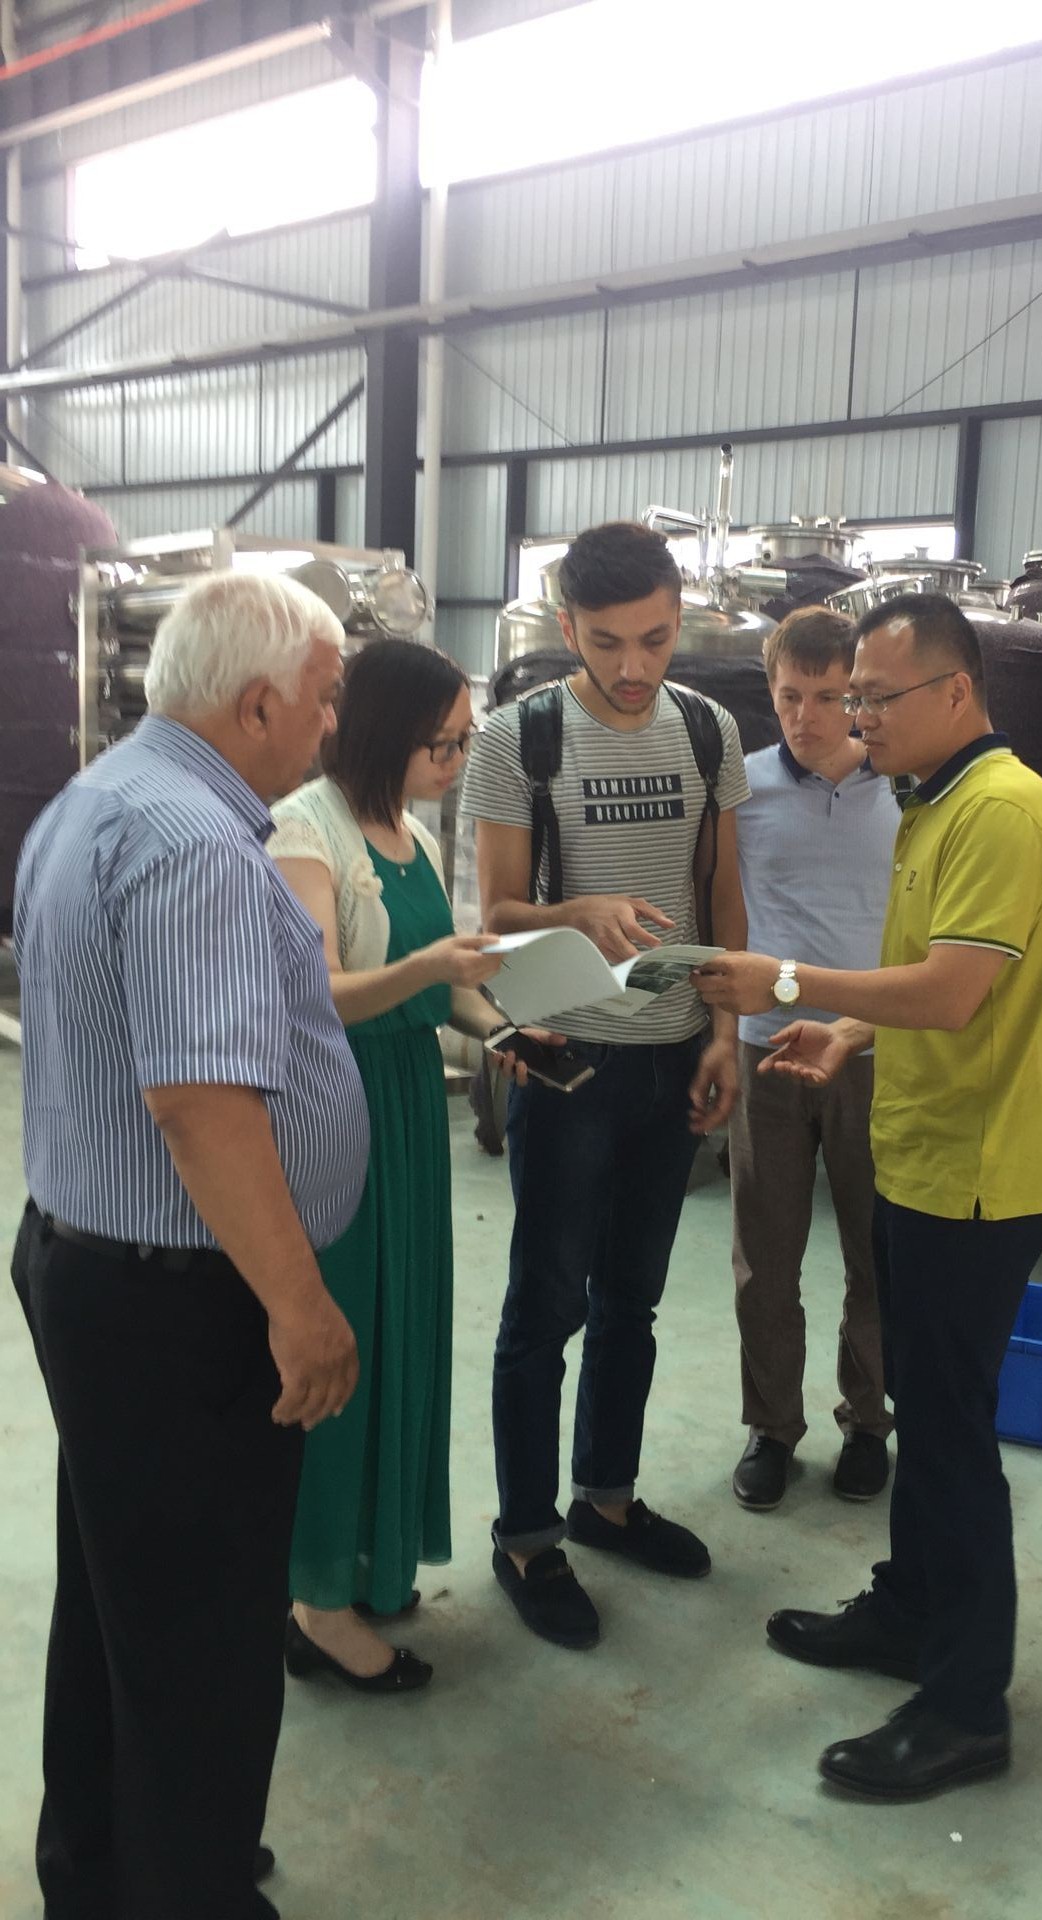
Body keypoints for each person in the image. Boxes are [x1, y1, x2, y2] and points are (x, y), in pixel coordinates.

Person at [9, 571, 369, 1920]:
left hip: (98, 1269)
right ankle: (188, 1890)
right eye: (323, 699)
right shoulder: (195, 842)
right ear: (258, 702)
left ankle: (101, 1870)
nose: (330, 726)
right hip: (182, 1300)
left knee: (122, 1601)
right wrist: (299, 1304)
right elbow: (201, 1103)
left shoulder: (96, 799)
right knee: (205, 1635)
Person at [696, 592, 1042, 1800]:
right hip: (923, 1152)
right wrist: (852, 1031)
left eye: (872, 697)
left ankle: (966, 1709)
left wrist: (786, 982)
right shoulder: (931, 802)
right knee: (924, 1410)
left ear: (957, 691)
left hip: (975, 1177)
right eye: (839, 695)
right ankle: (911, 1612)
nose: (853, 717)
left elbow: (955, 993)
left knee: (952, 1444)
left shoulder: (999, 809)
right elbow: (926, 974)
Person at [459, 520, 749, 1651]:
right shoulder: (518, 737)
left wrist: (725, 1033)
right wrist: (574, 910)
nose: (634, 667)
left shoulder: (706, 729)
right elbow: (493, 915)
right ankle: (528, 1536)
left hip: (676, 1051)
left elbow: (722, 897)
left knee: (633, 1297)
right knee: (545, 1307)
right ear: (566, 624)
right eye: (608, 641)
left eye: (656, 639)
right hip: (569, 1060)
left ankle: (607, 1499)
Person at [269, 639, 502, 1691]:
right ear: (381, 733)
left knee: (403, 1328)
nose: (454, 762)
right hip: (340, 1109)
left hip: (409, 1106)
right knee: (344, 1343)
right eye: (439, 744)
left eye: (461, 743)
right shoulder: (304, 830)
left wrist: (507, 1029)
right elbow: (317, 990)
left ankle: (372, 1556)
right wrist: (431, 969)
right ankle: (316, 1600)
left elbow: (445, 989)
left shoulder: (408, 831)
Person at [728, 607, 899, 1512]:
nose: (806, 717)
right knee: (766, 1256)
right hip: (767, 1051)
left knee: (877, 1252)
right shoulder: (742, 791)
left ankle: (867, 1422)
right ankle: (771, 1428)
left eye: (828, 697)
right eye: (789, 696)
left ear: (859, 696)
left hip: (873, 1049)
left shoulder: (907, 791)